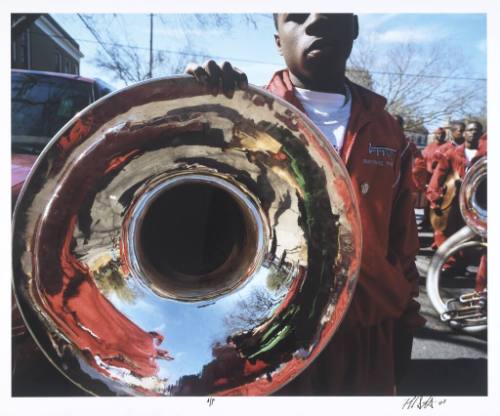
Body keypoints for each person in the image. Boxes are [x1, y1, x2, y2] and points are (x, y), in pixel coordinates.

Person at [186, 13, 424, 395]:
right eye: (296, 16)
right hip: (268, 340)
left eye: (333, 11)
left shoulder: (387, 128)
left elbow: (403, 241)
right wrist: (196, 99)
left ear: (353, 29)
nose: (316, 20)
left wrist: (405, 323)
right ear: (278, 40)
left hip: (365, 334)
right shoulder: (240, 112)